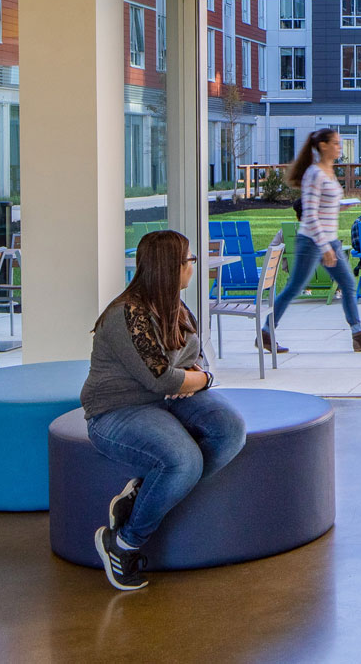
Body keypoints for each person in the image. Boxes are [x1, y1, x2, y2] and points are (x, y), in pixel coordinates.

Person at [84, 229, 245, 592]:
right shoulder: (127, 314)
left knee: (230, 430)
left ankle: (144, 495)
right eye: (189, 260)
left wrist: (193, 378)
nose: (193, 266)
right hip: (116, 409)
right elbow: (162, 378)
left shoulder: (175, 306)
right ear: (171, 267)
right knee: (183, 461)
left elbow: (193, 361)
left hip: (168, 399)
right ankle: (124, 543)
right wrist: (199, 381)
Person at [270, 128, 361, 353]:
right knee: (295, 287)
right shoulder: (315, 173)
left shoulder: (328, 171)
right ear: (323, 146)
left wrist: (343, 205)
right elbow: (310, 213)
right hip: (313, 239)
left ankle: (358, 334)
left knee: (348, 284)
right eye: (335, 143)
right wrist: (324, 247)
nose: (339, 147)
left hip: (328, 237)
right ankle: (266, 330)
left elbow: (323, 205)